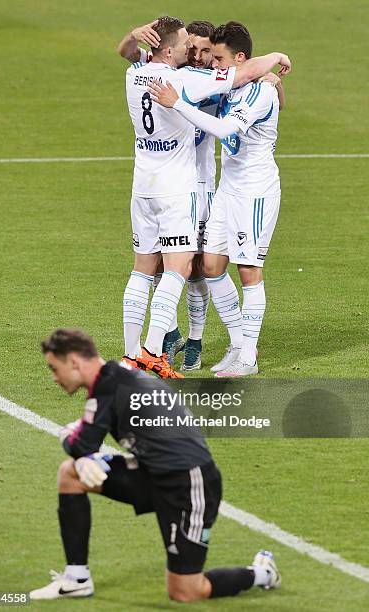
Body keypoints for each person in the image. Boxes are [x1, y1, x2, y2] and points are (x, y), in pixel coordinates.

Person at [30, 328, 281, 602]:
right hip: (153, 475)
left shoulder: (110, 387)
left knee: (185, 591)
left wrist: (69, 436)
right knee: (71, 473)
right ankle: (76, 578)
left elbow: (82, 444)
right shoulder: (114, 380)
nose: (54, 377)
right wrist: (82, 450)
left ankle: (261, 573)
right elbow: (86, 442)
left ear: (74, 362)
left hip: (189, 485)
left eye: (54, 368)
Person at [121, 15, 291, 379]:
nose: (204, 59)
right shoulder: (200, 81)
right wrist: (271, 64)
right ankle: (229, 344)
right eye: (195, 50)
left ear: (240, 59)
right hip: (206, 188)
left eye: (216, 57)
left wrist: (273, 71)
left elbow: (230, 123)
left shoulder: (146, 76)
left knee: (240, 268)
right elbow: (232, 79)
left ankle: (245, 352)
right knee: (205, 268)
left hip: (251, 191)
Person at [119, 20, 219, 372]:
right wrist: (273, 59)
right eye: (185, 45)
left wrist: (133, 34)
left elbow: (126, 53)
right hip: (177, 189)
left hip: (142, 187)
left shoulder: (136, 74)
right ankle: (151, 352)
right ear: (168, 50)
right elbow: (237, 77)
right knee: (179, 268)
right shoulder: (183, 79)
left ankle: (132, 355)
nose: (190, 51)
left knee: (142, 271)